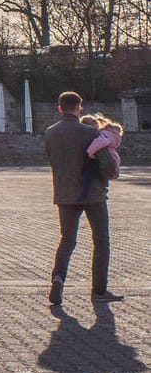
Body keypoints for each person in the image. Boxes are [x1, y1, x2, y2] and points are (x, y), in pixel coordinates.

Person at [45, 91, 121, 306]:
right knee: (101, 241)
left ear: (60, 108)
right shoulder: (90, 132)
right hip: (93, 193)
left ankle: (58, 278)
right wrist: (107, 176)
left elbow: (51, 158)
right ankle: (99, 290)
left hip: (64, 194)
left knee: (67, 240)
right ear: (79, 108)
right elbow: (106, 162)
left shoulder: (50, 133)